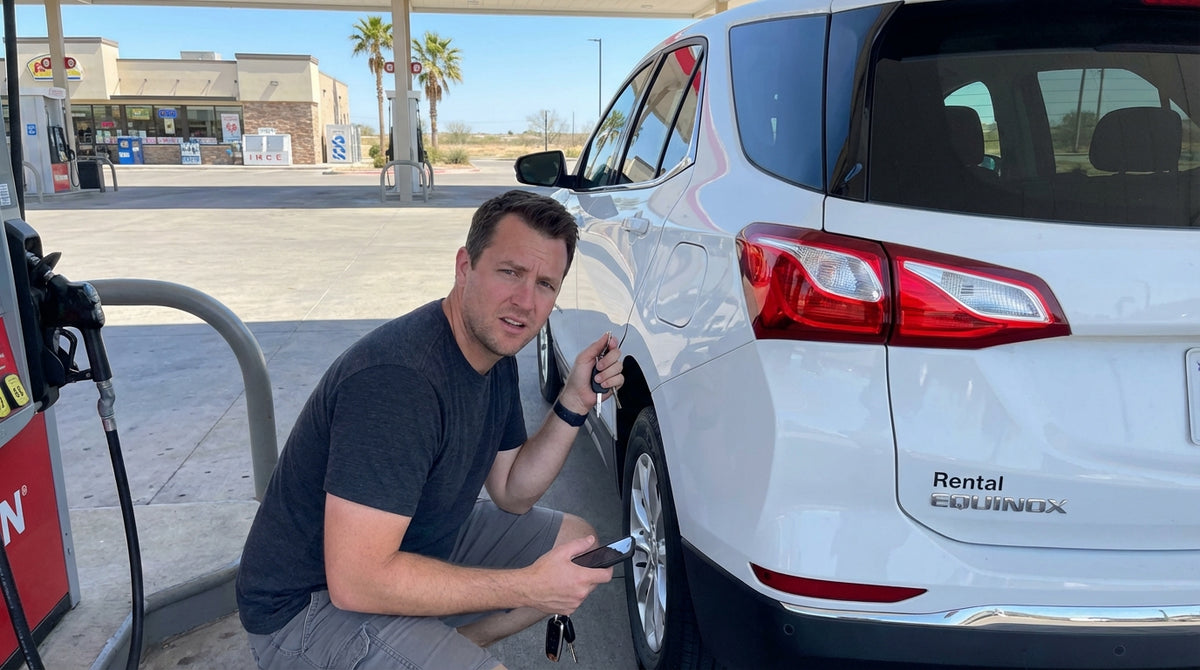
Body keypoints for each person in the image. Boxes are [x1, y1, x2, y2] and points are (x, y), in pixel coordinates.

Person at [236, 189, 624, 670]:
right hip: (305, 610)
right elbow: (357, 579)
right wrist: (529, 587)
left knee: (577, 547)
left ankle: (442, 645)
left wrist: (573, 402)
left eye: (545, 284)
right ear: (465, 267)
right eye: (510, 272)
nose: (525, 301)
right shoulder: (399, 383)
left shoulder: (494, 351)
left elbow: (512, 491)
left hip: (411, 543)